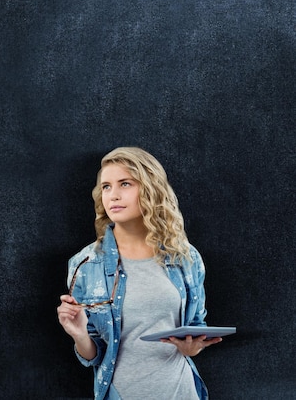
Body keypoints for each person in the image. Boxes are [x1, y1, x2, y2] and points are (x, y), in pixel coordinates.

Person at [57, 147, 222, 400]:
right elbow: (93, 355)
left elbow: (196, 328)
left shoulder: (185, 257)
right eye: (106, 187)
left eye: (125, 184)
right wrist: (79, 334)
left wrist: (192, 348)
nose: (113, 195)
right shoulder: (86, 264)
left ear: (151, 190)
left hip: (183, 392)